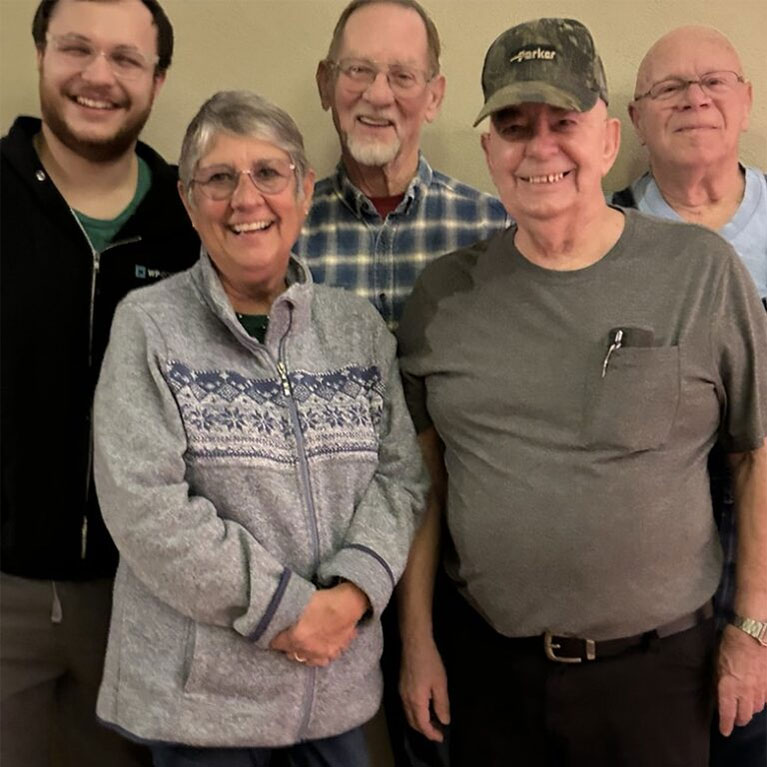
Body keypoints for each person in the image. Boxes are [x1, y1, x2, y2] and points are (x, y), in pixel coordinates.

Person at [397, 17, 767, 767]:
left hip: (661, 676)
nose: (539, 147)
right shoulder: (442, 294)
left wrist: (752, 629)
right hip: (491, 670)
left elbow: (754, 455)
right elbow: (422, 487)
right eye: (512, 125)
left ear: (604, 138)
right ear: (488, 150)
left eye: (562, 121)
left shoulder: (699, 271)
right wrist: (416, 645)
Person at [91, 90, 426, 767]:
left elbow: (399, 478)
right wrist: (289, 612)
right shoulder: (148, 324)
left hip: (334, 696)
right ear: (189, 201)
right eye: (219, 178)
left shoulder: (355, 328)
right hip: (200, 714)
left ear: (303, 191)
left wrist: (354, 593)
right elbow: (144, 505)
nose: (246, 199)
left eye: (268, 173)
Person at [0, 1, 198, 765]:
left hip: (143, 602)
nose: (97, 76)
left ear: (157, 78)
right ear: (41, 54)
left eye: (124, 58)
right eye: (76, 49)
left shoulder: (193, 220)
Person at [618, 26, 766, 766]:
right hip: (644, 603)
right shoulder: (594, 237)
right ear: (634, 120)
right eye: (669, 88)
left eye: (713, 82)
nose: (695, 98)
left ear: (744, 101)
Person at [296, 0, 507, 332]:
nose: (379, 95)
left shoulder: (494, 230)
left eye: (402, 76)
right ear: (326, 84)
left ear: (433, 98)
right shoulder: (284, 234)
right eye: (358, 69)